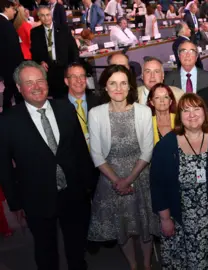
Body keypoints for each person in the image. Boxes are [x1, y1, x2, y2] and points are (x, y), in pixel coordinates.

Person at [0, 61, 94, 270]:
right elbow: (4, 167)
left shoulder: (65, 109)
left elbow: (80, 149)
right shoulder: (7, 121)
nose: (36, 86)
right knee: (45, 251)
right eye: (29, 82)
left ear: (47, 83)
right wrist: (15, 203)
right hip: (36, 198)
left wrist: (88, 186)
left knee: (77, 248)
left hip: (73, 194)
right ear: (19, 87)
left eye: (40, 80)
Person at [150, 93, 208, 269]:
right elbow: (157, 185)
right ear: (179, 116)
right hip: (180, 222)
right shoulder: (166, 145)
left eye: (196, 109)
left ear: (204, 112)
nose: (192, 115)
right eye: (186, 110)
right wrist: (165, 219)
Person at [88, 65, 159, 270]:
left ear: (130, 87)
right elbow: (97, 154)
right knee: (123, 228)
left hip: (140, 176)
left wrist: (128, 180)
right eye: (113, 83)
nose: (118, 88)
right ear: (105, 88)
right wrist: (117, 180)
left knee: (144, 225)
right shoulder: (95, 113)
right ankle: (133, 265)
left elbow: (147, 150)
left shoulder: (144, 111)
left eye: (123, 83)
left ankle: (146, 265)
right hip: (110, 178)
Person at [30, 6, 79, 99]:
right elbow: (34, 51)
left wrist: (74, 67)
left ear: (51, 15)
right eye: (43, 16)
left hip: (65, 68)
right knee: (56, 98)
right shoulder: (35, 32)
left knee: (69, 96)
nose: (46, 18)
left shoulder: (64, 29)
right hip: (49, 70)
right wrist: (40, 61)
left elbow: (74, 49)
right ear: (39, 17)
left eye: (48, 15)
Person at [64, 63, 100, 145]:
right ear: (66, 81)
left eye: (82, 76)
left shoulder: (99, 102)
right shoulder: (59, 108)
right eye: (73, 77)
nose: (78, 80)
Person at [0, 0, 24, 111]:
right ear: (6, 8)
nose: (14, 12)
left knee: (10, 90)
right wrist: (20, 65)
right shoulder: (5, 24)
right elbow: (13, 48)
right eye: (13, 9)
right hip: (11, 65)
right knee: (15, 90)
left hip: (6, 65)